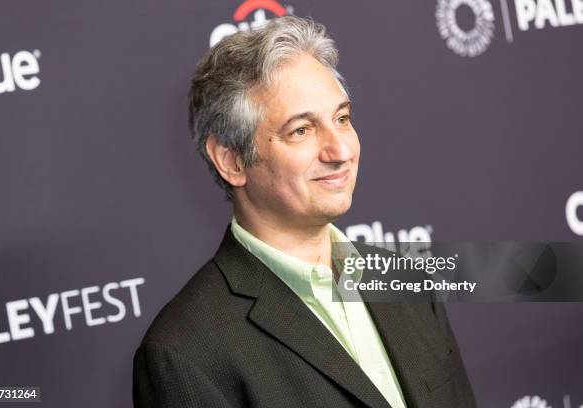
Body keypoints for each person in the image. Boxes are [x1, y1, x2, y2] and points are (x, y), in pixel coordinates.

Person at [133, 16, 476, 408]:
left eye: (342, 119)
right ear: (231, 161)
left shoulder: (406, 280)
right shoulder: (185, 353)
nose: (341, 152)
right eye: (302, 130)